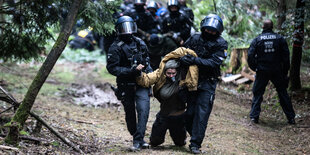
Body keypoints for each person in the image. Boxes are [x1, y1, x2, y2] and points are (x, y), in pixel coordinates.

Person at [180, 14, 228, 154]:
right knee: (189, 114)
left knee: (202, 114)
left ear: (218, 31)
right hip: (191, 81)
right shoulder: (195, 38)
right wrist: (184, 60)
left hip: (208, 82)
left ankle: (195, 144)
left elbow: (214, 62)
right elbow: (182, 52)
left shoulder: (221, 43)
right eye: (208, 30)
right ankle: (194, 134)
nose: (209, 33)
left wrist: (195, 61)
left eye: (213, 31)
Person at [136, 47, 199, 148]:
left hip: (179, 116)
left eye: (173, 73)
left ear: (177, 71)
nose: (170, 75)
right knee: (155, 142)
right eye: (168, 73)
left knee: (180, 143)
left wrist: (189, 56)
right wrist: (138, 73)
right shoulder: (160, 74)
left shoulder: (184, 77)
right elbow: (146, 79)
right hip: (164, 114)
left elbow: (185, 51)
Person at [106, 16, 152, 151]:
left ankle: (138, 140)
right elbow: (112, 68)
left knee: (144, 110)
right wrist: (130, 71)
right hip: (125, 85)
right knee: (130, 115)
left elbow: (147, 61)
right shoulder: (115, 47)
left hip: (141, 83)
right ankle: (136, 136)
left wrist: (149, 76)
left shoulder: (140, 43)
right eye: (124, 28)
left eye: (129, 27)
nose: (127, 31)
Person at [247, 19, 295, 124]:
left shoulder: (257, 39)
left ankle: (254, 117)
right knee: (282, 93)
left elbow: (250, 55)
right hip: (277, 70)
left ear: (263, 27)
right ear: (272, 27)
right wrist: (284, 71)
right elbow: (286, 57)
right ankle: (291, 118)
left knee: (258, 93)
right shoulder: (280, 39)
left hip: (262, 70)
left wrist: (255, 67)